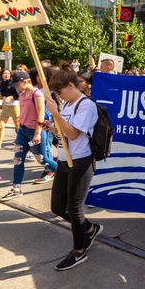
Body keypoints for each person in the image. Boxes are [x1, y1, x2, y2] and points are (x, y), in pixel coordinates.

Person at [43, 62, 103, 271]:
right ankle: (90, 229)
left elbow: (74, 133)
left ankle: (79, 251)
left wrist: (55, 114)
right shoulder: (67, 104)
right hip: (64, 160)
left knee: (74, 208)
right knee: (57, 207)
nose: (58, 95)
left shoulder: (86, 105)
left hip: (80, 161)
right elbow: (63, 133)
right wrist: (52, 127)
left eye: (59, 91)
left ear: (70, 85)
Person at [0, 71, 56, 200]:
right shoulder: (22, 94)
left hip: (34, 131)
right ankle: (16, 188)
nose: (16, 87)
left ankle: (67, 174)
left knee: (42, 159)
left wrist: (37, 133)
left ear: (25, 81)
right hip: (22, 130)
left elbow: (41, 114)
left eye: (17, 84)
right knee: (18, 159)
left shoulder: (37, 95)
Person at [0, 68, 20, 152]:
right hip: (5, 106)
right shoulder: (2, 83)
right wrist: (1, 96)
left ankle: (23, 142)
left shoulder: (13, 83)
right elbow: (3, 93)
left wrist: (10, 97)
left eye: (8, 73)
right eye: (4, 73)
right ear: (1, 75)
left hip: (14, 106)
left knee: (18, 126)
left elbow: (18, 95)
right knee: (0, 126)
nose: (6, 75)